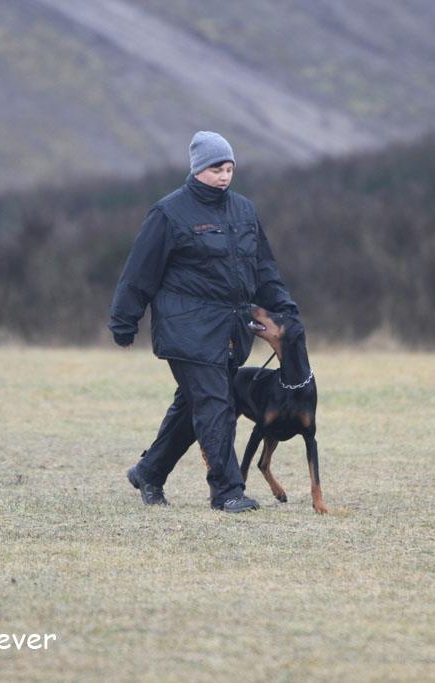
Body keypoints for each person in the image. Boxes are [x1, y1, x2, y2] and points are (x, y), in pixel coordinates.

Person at [109, 131, 298, 512]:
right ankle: (228, 491)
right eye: (216, 169)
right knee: (215, 404)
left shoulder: (244, 211)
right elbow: (138, 272)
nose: (224, 176)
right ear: (197, 170)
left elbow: (263, 269)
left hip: (230, 330)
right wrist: (124, 320)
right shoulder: (169, 213)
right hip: (187, 329)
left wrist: (285, 308)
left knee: (195, 405)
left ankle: (149, 471)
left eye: (229, 168)